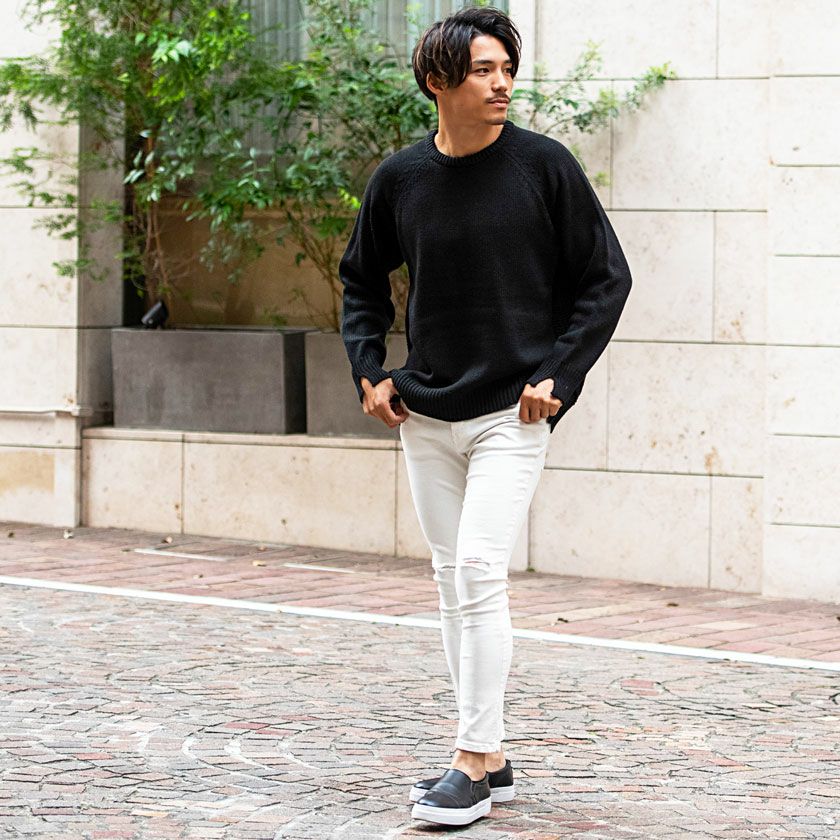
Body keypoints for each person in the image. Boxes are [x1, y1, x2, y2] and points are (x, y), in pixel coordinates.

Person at [338, 5, 632, 827]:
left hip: (513, 412)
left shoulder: (544, 167)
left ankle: (470, 762)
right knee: (450, 580)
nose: (502, 84)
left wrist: (559, 374)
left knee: (476, 569)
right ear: (438, 81)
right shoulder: (400, 179)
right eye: (483, 70)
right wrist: (368, 370)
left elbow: (606, 279)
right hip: (426, 411)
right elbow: (360, 279)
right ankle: (492, 757)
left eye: (507, 69)